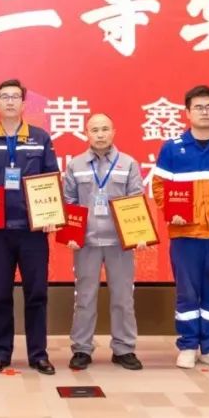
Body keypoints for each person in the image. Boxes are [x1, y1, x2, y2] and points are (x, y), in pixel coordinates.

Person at [0, 79, 59, 375]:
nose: (10, 101)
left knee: (37, 294)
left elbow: (51, 179)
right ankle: (0, 353)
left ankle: (38, 354)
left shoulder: (40, 138)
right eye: (4, 97)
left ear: (23, 104)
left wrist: (49, 214)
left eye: (15, 97)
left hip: (33, 232)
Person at [152, 85, 209, 370]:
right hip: (185, 234)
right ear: (187, 112)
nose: (204, 112)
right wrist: (172, 212)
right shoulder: (172, 148)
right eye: (198, 107)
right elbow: (159, 187)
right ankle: (188, 345)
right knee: (187, 292)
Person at [62, 113, 146, 371]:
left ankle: (124, 348)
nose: (100, 134)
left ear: (113, 131)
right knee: (84, 297)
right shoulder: (75, 164)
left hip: (119, 243)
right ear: (87, 133)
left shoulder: (128, 163)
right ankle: (82, 349)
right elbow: (69, 202)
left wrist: (138, 234)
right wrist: (71, 234)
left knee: (123, 297)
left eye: (105, 129)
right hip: (86, 243)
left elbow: (136, 200)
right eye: (94, 130)